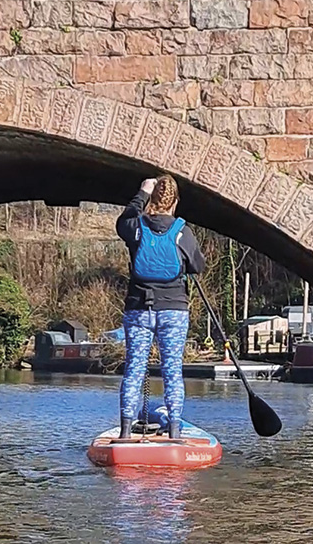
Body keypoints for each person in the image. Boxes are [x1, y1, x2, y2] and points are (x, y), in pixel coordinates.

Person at [116, 175, 205, 440]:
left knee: (134, 368)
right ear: (175, 203)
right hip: (174, 310)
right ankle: (175, 431)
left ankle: (124, 433)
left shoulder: (135, 227)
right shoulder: (182, 231)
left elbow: (122, 221)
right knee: (172, 370)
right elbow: (198, 265)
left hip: (139, 309)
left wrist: (142, 193)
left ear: (151, 201)